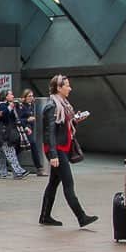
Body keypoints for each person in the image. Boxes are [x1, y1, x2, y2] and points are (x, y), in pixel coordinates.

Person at [39, 75, 99, 229]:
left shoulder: (64, 105)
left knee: (53, 183)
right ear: (59, 88)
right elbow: (49, 132)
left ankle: (45, 216)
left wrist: (75, 120)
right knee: (68, 184)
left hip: (63, 148)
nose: (70, 88)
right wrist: (52, 155)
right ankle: (81, 217)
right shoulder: (52, 106)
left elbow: (64, 127)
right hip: (57, 150)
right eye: (67, 85)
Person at [0, 93, 29, 179]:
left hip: (4, 133)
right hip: (4, 134)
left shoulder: (11, 106)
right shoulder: (1, 105)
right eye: (11, 94)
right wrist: (10, 107)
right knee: (10, 152)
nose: (13, 96)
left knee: (1, 153)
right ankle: (18, 172)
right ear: (6, 97)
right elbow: (3, 116)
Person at [19, 89, 44, 176]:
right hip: (23, 130)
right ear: (25, 97)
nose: (31, 98)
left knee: (22, 147)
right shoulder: (22, 107)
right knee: (32, 144)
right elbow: (18, 119)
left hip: (30, 130)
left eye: (32, 96)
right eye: (29, 96)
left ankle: (38, 168)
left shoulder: (32, 106)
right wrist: (27, 120)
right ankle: (39, 168)